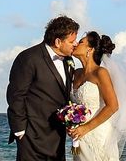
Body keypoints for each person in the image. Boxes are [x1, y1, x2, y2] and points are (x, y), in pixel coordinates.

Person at [7, 15, 80, 160]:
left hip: (57, 136)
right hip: (31, 135)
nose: (76, 44)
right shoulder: (28, 58)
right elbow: (16, 95)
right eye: (72, 41)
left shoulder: (69, 61)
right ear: (58, 41)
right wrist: (20, 131)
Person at [69, 31, 126, 161]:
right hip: (79, 135)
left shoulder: (100, 73)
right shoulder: (75, 73)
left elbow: (113, 106)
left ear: (90, 49)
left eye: (81, 42)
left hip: (98, 133)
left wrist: (86, 128)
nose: (76, 44)